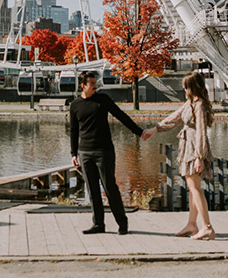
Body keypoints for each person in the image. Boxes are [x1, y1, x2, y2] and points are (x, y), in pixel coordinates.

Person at [142, 71, 216, 240]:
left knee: (195, 188)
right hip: (189, 148)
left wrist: (199, 156)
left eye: (185, 86)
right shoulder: (191, 103)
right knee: (192, 188)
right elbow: (174, 118)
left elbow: (201, 133)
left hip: (194, 149)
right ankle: (192, 224)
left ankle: (207, 227)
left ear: (192, 87)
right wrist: (156, 129)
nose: (183, 89)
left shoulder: (200, 106)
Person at [69, 70, 144, 235]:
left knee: (110, 187)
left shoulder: (103, 100)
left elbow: (121, 116)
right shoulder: (75, 105)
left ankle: (122, 223)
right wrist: (73, 153)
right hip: (85, 152)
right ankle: (98, 224)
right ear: (83, 85)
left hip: (104, 151)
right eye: (92, 84)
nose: (96, 86)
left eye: (96, 83)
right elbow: (74, 131)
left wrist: (139, 132)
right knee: (92, 190)